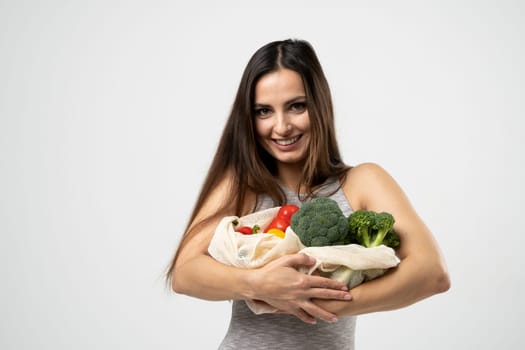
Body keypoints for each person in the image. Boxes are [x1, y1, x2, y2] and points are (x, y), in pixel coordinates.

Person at [166, 39, 450, 349]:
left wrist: (324, 302)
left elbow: (432, 273)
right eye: (263, 111)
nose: (282, 126)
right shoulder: (243, 185)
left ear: (319, 104)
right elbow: (185, 273)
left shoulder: (362, 182)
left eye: (296, 106)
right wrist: (259, 284)